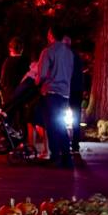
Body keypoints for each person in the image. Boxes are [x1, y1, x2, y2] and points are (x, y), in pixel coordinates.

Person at [37, 27, 75, 167]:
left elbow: (41, 74)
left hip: (51, 91)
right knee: (60, 125)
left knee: (52, 125)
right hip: (64, 93)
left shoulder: (48, 51)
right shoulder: (69, 53)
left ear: (51, 35)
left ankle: (55, 156)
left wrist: (38, 82)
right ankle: (66, 156)